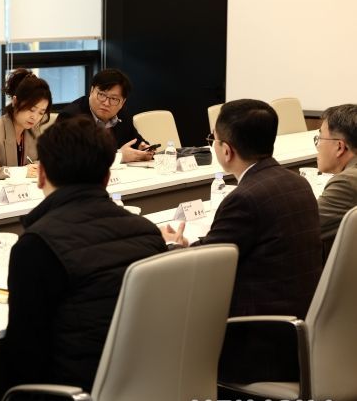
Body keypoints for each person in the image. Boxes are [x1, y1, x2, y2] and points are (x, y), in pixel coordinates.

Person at [0, 116, 167, 401]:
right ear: (107, 176)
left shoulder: (38, 245)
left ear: (41, 174)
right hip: (142, 396)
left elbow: (24, 356)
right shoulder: (147, 232)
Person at [162, 99, 322, 318]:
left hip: (259, 324)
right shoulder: (298, 183)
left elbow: (206, 264)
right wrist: (189, 243)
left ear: (227, 150)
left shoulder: (244, 199)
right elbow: (227, 242)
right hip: (303, 313)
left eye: (213, 140)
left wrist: (171, 245)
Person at [58, 68, 154, 163]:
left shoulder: (122, 114)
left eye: (114, 99)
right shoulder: (70, 117)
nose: (106, 103)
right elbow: (72, 158)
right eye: (102, 95)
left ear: (123, 102)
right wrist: (118, 156)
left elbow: (136, 140)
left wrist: (143, 148)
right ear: (91, 91)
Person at [0, 68, 52, 181]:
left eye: (41, 113)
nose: (35, 117)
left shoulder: (33, 131)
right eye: (31, 109)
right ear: (15, 101)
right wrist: (21, 172)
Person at [315, 104, 357, 257]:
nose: (317, 146)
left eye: (319, 138)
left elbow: (303, 229)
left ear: (340, 147)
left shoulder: (346, 183)